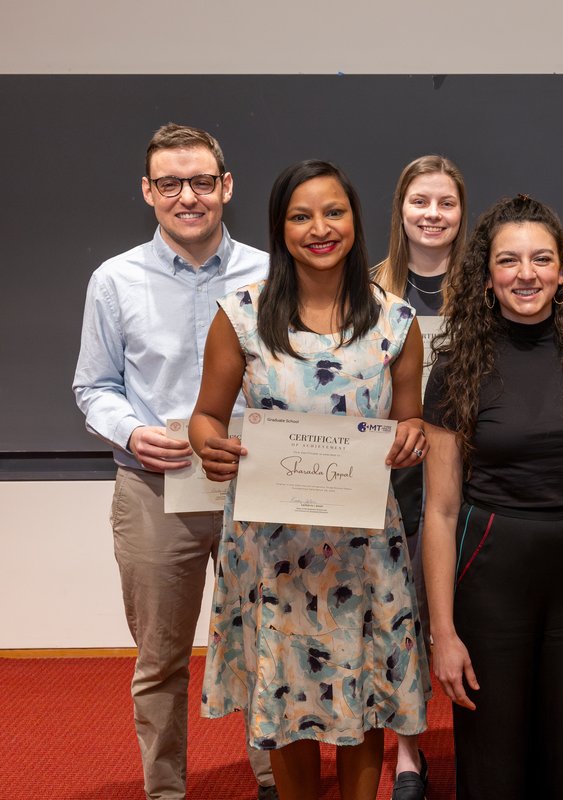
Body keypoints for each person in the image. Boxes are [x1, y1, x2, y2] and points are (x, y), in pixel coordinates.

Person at [188, 160, 430, 800]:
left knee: (364, 691)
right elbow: (206, 417)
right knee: (282, 694)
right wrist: (210, 446)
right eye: (301, 216)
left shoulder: (396, 324)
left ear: (355, 221)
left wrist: (411, 435)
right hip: (273, 552)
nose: (319, 228)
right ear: (279, 228)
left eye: (333, 212)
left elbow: (410, 420)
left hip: (364, 550)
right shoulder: (239, 317)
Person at [72, 123, 276, 800]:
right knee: (160, 660)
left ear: (226, 187)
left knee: (268, 650)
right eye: (169, 183)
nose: (186, 196)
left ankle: (277, 781)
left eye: (201, 181)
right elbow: (92, 386)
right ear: (148, 191)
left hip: (256, 487)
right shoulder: (115, 280)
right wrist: (132, 433)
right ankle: (166, 792)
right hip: (154, 491)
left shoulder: (272, 274)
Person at [422, 194, 563, 800]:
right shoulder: (455, 367)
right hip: (492, 573)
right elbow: (439, 509)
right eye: (509, 261)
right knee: (496, 753)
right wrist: (443, 630)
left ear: (562, 271)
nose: (526, 274)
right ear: (487, 275)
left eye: (541, 259)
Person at [374, 154, 468, 800]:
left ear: (461, 214)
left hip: (474, 480)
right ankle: (408, 754)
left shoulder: (486, 286)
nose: (432, 215)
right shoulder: (369, 291)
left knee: (474, 618)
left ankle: (481, 742)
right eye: (419, 202)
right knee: (398, 620)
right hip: (391, 478)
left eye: (445, 203)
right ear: (400, 211)